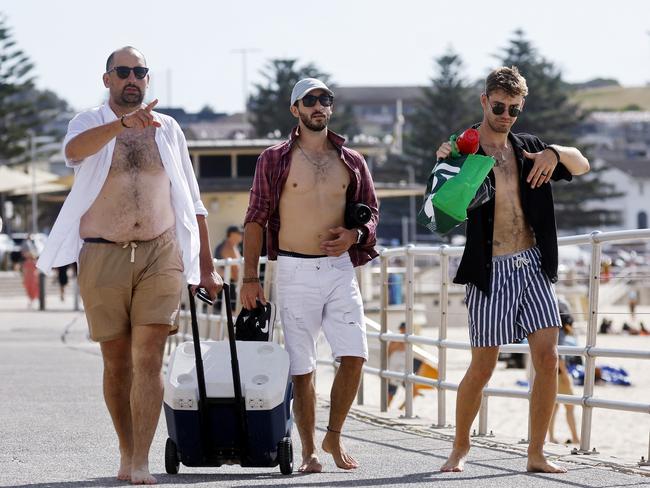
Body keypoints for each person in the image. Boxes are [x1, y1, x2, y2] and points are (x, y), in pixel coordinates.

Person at [37, 46, 222, 485]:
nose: (133, 78)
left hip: (160, 251)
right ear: (107, 80)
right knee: (116, 361)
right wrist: (119, 125)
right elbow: (74, 150)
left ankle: (141, 459)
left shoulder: (168, 128)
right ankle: (125, 450)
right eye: (123, 71)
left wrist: (208, 265)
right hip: (103, 253)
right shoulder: (89, 122)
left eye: (140, 71)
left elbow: (192, 199)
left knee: (149, 356)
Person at [435, 66, 590, 474]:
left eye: (514, 110)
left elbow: (582, 165)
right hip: (491, 269)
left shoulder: (530, 149)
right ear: (485, 101)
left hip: (534, 265)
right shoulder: (464, 150)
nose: (506, 115)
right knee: (482, 366)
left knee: (547, 356)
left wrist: (555, 153)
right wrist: (447, 163)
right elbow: (436, 212)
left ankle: (536, 453)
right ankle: (460, 446)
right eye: (499, 106)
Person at [241, 78, 378, 473]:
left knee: (355, 355)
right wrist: (250, 278)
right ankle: (308, 451)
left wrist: (355, 234)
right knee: (303, 368)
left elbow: (371, 212)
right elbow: (255, 219)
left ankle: (333, 434)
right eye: (310, 100)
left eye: (326, 99)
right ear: (295, 109)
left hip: (338, 270)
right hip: (294, 269)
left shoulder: (351, 160)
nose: (319, 106)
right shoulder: (275, 158)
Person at [548, 306, 580, 445]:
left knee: (553, 407)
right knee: (570, 406)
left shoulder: (552, 328)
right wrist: (566, 375)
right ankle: (576, 438)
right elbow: (559, 356)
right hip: (560, 374)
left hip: (551, 373)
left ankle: (551, 437)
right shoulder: (561, 332)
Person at [214, 225, 243, 311]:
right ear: (232, 234)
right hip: (227, 285)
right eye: (239, 233)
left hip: (226, 284)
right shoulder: (228, 246)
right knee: (228, 314)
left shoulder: (231, 246)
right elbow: (235, 272)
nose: (241, 235)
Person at [21, 235, 39, 308]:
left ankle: (32, 300)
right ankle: (31, 300)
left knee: (32, 289)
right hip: (29, 278)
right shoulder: (27, 262)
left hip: (31, 278)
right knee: (29, 289)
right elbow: (24, 271)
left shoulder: (34, 262)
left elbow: (36, 271)